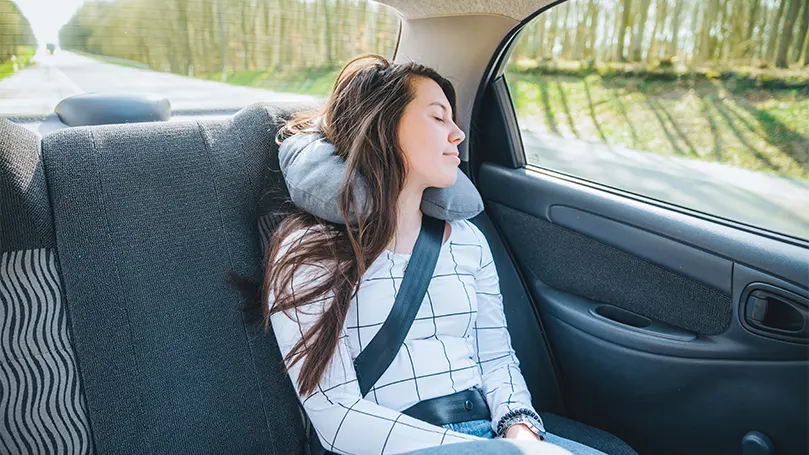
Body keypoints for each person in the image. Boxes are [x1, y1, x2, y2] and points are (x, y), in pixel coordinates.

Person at [262, 54, 605, 455]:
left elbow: (496, 358)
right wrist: (485, 452)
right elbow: (334, 413)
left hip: (491, 437)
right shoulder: (311, 249)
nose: (458, 134)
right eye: (439, 118)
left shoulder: (468, 240)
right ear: (383, 127)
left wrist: (520, 432)